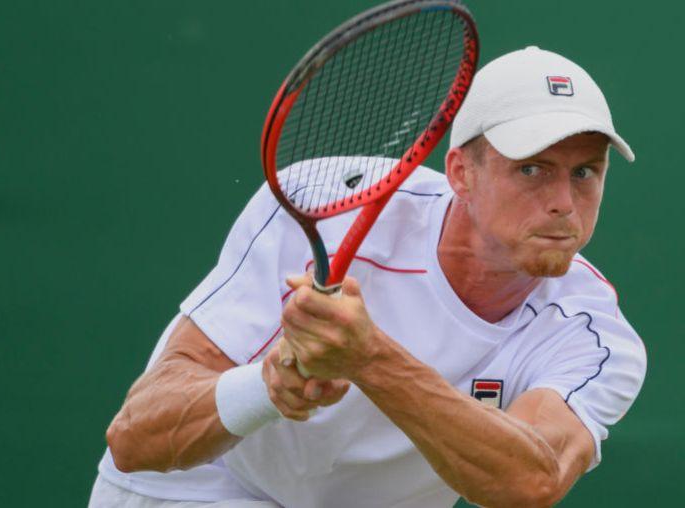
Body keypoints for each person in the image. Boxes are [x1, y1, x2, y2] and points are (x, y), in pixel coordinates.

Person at [90, 46, 647, 508]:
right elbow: (136, 437)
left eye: (584, 173)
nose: (563, 204)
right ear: (461, 172)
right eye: (531, 169)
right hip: (203, 487)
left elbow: (532, 479)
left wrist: (369, 356)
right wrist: (267, 385)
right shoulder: (325, 204)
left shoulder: (595, 336)